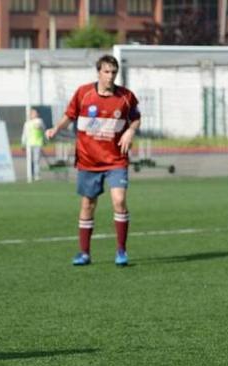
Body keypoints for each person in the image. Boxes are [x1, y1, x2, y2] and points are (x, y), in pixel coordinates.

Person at [45, 54, 140, 267]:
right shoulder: (83, 93)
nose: (110, 76)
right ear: (98, 72)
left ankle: (121, 251)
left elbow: (135, 118)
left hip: (116, 159)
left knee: (119, 200)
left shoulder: (126, 96)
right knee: (88, 204)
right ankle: (84, 253)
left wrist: (130, 132)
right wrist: (56, 129)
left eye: (114, 72)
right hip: (89, 160)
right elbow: (69, 115)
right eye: (106, 72)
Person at [21, 107, 46, 181]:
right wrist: (23, 143)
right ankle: (30, 175)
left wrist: (44, 140)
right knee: (29, 160)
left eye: (34, 113)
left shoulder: (39, 121)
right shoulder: (27, 123)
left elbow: (41, 128)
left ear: (37, 114)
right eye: (31, 113)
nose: (32, 114)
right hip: (29, 144)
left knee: (36, 160)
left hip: (37, 143)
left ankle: (37, 175)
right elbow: (24, 134)